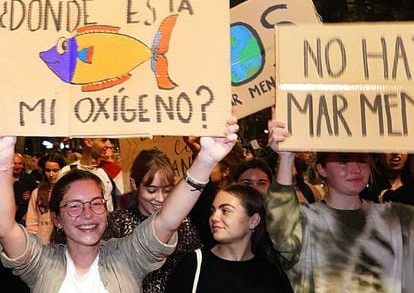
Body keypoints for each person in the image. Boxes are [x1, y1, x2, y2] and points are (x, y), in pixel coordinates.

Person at [0, 116, 238, 292]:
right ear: (56, 219)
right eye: (74, 206)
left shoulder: (126, 256)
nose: (88, 214)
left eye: (96, 203)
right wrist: (3, 160)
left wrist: (206, 160)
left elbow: (167, 219)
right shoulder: (40, 263)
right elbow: (5, 228)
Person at [266, 113, 414, 292]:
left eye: (361, 160)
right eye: (343, 161)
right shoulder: (305, 220)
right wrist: (286, 158)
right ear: (321, 169)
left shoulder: (397, 218)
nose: (355, 168)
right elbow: (281, 230)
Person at [105, 148, 202, 293]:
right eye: (151, 190)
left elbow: (196, 269)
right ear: (134, 184)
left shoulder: (183, 224)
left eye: (167, 190)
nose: (160, 198)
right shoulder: (116, 222)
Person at [166, 183, 292, 293]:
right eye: (212, 211)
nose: (214, 218)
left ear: (253, 221)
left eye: (225, 211)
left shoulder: (271, 274)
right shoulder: (194, 264)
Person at [58, 137, 124, 212]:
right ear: (88, 142)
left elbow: (120, 204)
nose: (108, 145)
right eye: (103, 140)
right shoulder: (67, 172)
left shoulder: (112, 170)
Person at [26, 152, 67, 244]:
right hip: (42, 244)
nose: (51, 174)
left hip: (64, 243)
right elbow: (31, 222)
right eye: (48, 170)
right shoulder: (37, 193)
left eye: (55, 170)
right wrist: (35, 243)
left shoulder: (68, 192)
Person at [13, 153, 38, 225]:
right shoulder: (3, 178)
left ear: (23, 165)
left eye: (20, 164)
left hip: (23, 218)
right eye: (15, 164)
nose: (17, 166)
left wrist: (30, 197)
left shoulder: (29, 179)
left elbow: (36, 199)